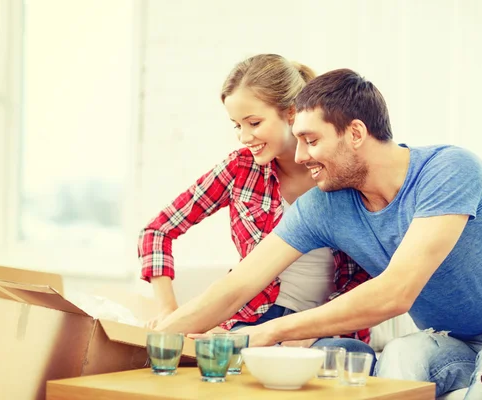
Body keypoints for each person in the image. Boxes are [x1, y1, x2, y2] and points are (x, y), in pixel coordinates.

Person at [159, 68, 482, 399]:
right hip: (452, 342)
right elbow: (240, 284)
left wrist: (271, 331)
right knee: (399, 353)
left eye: (310, 140)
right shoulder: (325, 204)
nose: (301, 155)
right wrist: (154, 338)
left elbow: (395, 292)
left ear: (355, 133)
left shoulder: (449, 171)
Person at [137, 55, 375, 359]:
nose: (244, 136)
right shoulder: (240, 168)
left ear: (291, 113)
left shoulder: (340, 172)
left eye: (254, 123)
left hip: (325, 330)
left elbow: (368, 273)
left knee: (345, 356)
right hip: (251, 321)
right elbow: (157, 231)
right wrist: (169, 312)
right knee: (209, 361)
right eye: (237, 125)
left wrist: (311, 331)